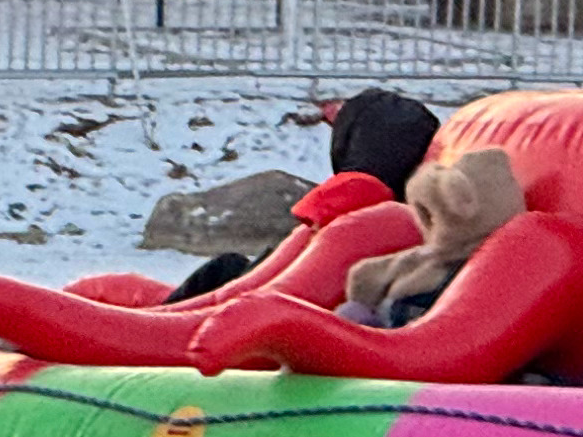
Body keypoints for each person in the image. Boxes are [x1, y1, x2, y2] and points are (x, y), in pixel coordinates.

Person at [164, 86, 448, 302]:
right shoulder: (425, 213)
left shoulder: (351, 197)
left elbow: (281, 265)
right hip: (317, 305)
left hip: (274, 304)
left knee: (225, 266)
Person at [337, 145, 526, 329]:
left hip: (403, 342)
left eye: (431, 215)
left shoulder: (482, 275)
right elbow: (372, 274)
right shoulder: (437, 255)